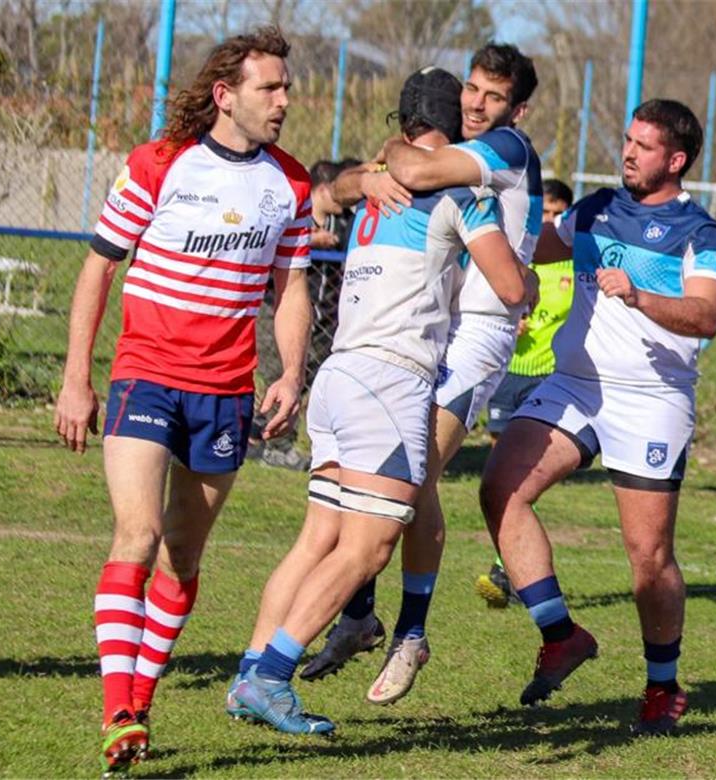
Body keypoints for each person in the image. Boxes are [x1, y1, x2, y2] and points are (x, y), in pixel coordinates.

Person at [227, 66, 531, 735]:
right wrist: (531, 280)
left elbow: (326, 189)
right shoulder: (458, 196)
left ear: (401, 124)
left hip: (337, 379)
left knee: (318, 540)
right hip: (391, 382)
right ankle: (270, 677)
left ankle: (249, 667)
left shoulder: (371, 189)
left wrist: (362, 175)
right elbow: (511, 288)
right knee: (366, 551)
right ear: (457, 130)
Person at [51, 27, 314, 776]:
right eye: (271, 88)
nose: (285, 101)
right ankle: (118, 711)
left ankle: (141, 703)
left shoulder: (289, 185)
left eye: (287, 87)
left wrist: (291, 371)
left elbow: (289, 287)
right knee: (134, 534)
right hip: (145, 375)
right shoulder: (159, 164)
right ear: (226, 95)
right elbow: (100, 268)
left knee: (183, 551)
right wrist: (77, 376)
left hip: (226, 391)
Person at [295, 43, 544, 705]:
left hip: (479, 333)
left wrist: (392, 151)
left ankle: (405, 631)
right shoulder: (467, 155)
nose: (475, 103)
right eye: (471, 89)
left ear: (517, 110)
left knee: (415, 472)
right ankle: (363, 618)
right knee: (395, 473)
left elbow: (407, 162)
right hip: (440, 326)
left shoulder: (505, 147)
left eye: (492, 97)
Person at [479, 98, 716, 735]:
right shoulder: (592, 208)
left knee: (648, 558)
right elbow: (535, 249)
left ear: (675, 160)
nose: (628, 153)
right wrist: (490, 211)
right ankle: (560, 634)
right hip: (575, 385)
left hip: (652, 399)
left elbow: (706, 315)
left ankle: (662, 685)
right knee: (501, 489)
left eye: (643, 147)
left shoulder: (701, 233)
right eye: (627, 140)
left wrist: (641, 294)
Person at [476, 178, 576, 608]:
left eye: (559, 214)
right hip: (510, 371)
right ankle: (511, 567)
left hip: (549, 377)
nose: (551, 221)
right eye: (545, 214)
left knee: (521, 478)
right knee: (502, 469)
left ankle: (507, 568)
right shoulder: (517, 259)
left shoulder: (572, 266)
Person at [248, 158, 358, 471]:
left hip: (323, 322)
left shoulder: (344, 223)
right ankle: (279, 449)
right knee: (279, 375)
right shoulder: (293, 215)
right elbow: (269, 245)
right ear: (324, 190)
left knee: (304, 380)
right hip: (279, 314)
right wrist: (309, 241)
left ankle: (258, 433)